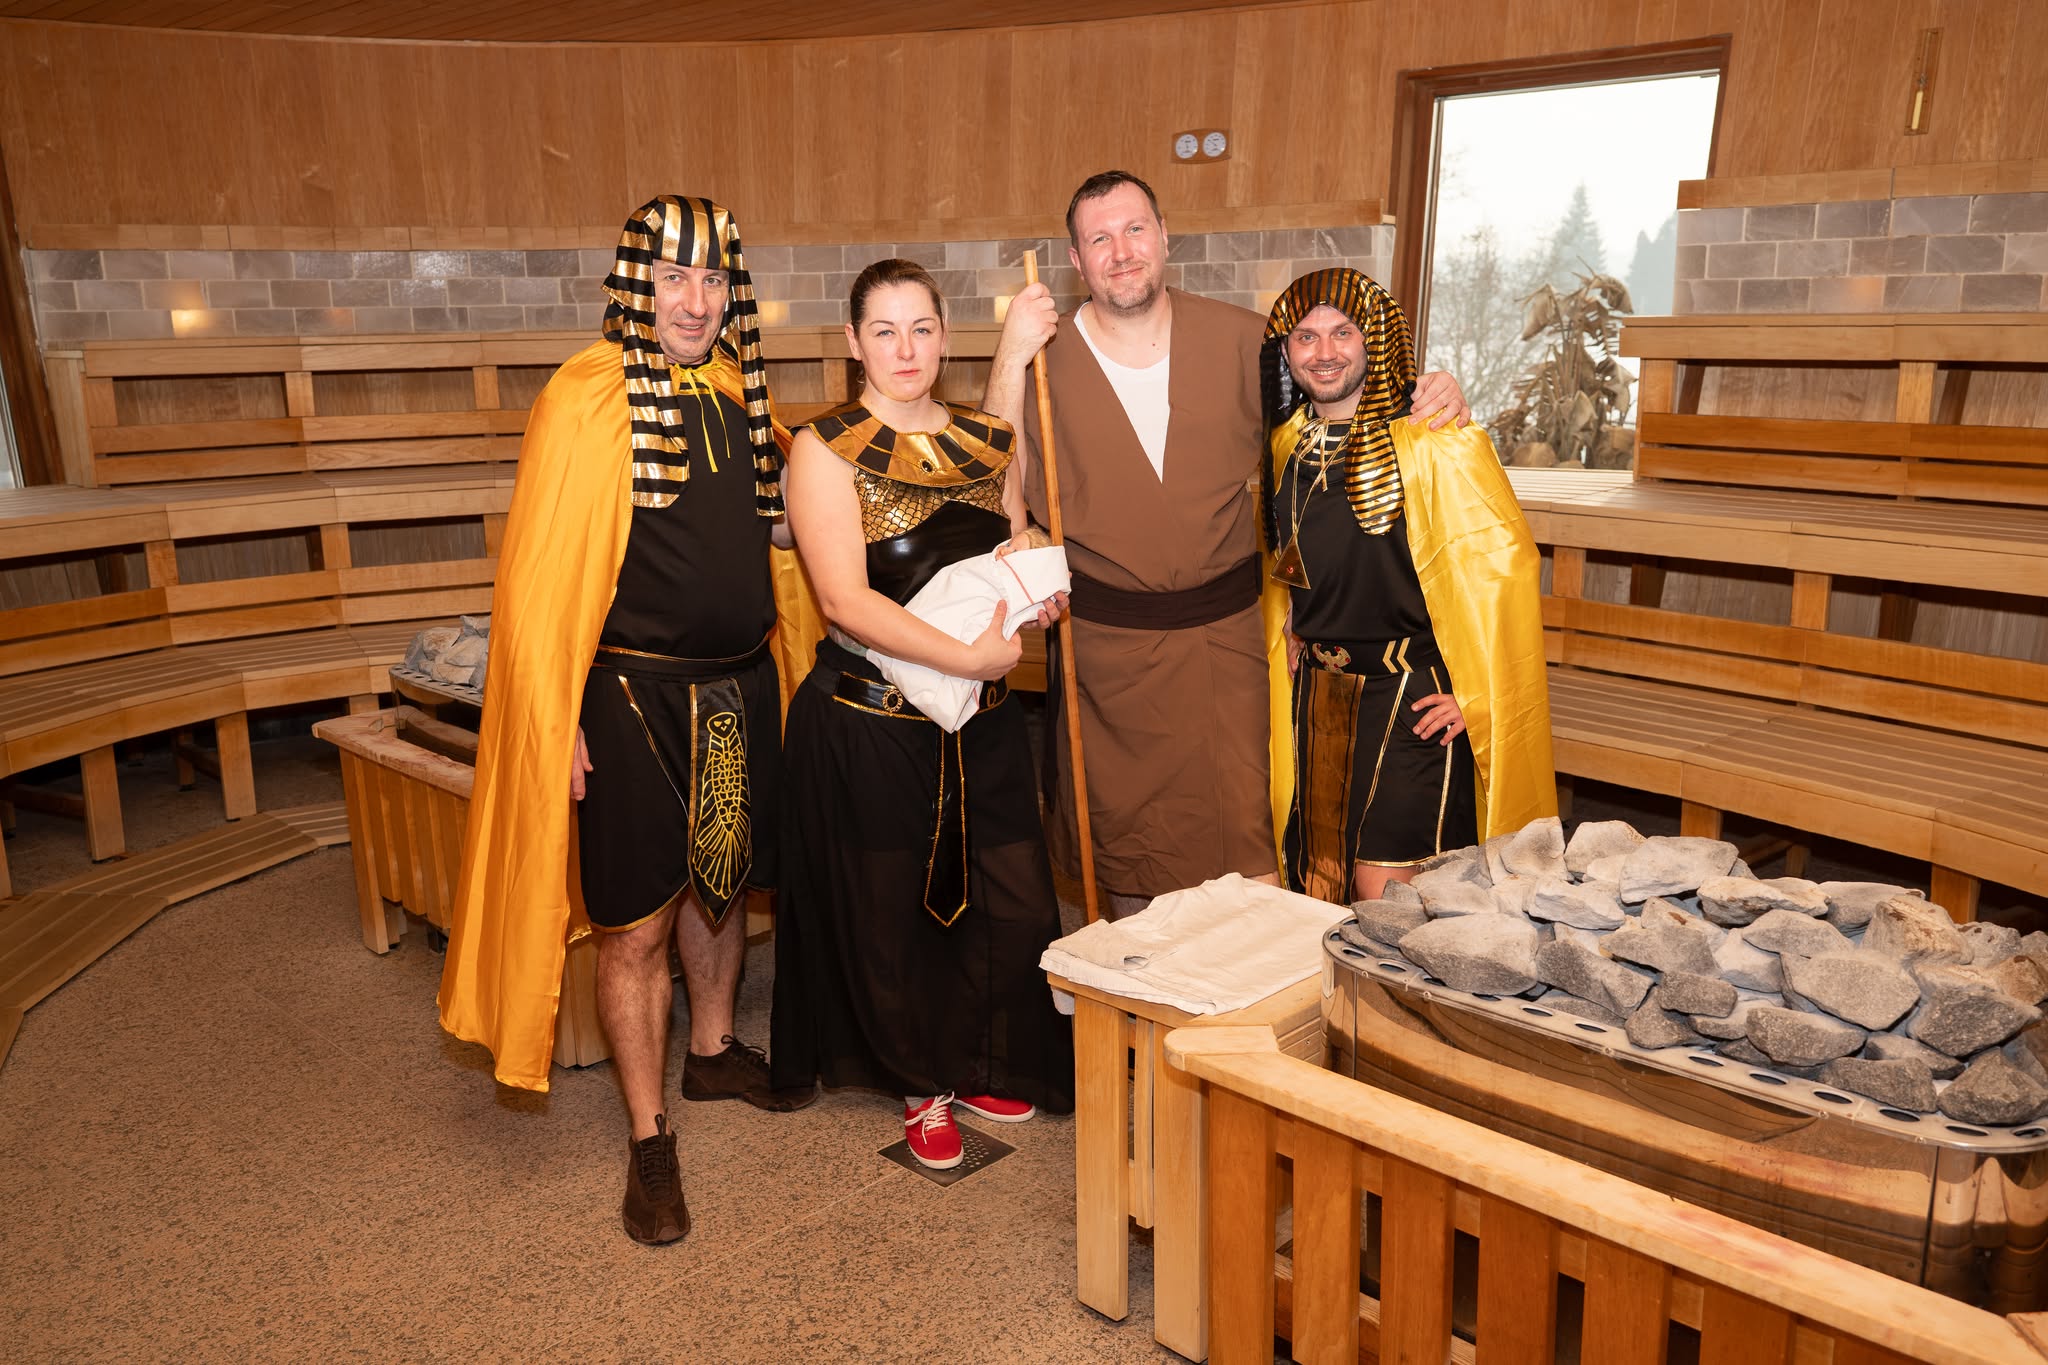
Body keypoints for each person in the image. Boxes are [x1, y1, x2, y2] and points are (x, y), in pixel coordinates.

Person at [438, 195, 821, 1248]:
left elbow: (785, 532)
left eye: (713, 279)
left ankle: (711, 1052)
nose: (695, 301)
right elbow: (539, 582)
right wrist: (554, 716)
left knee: (722, 883)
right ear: (634, 284)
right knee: (637, 924)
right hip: (625, 698)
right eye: (673, 278)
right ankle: (649, 1136)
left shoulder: (742, 393)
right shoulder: (584, 399)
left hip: (739, 687)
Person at [983, 171, 1472, 915]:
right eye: (1100, 239)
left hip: (1233, 648)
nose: (1122, 251)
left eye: (1135, 229)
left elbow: (1345, 413)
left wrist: (1433, 393)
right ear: (1076, 261)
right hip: (1108, 658)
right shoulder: (1043, 361)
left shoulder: (1249, 341)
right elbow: (998, 492)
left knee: (1251, 860)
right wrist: (1008, 357)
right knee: (1131, 875)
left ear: (1164, 236)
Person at [769, 258, 1075, 1171]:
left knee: (1007, 898)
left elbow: (1006, 545)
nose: (905, 349)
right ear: (854, 342)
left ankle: (978, 1058)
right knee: (892, 908)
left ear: (945, 337)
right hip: (873, 720)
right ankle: (918, 1082)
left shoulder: (988, 439)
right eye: (884, 331)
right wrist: (967, 658)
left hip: (981, 719)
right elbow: (845, 600)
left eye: (922, 329)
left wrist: (1034, 592)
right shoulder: (823, 447)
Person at [1262, 267, 1555, 903]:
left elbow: (1500, 571)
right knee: (1316, 884)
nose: (1324, 352)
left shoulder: (1438, 442)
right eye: (1306, 337)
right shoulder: (1286, 444)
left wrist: (1480, 695)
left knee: (1383, 892)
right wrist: (1295, 623)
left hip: (1410, 699)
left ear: (1375, 339)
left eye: (1343, 332)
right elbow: (1293, 556)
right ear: (1285, 350)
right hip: (1318, 696)